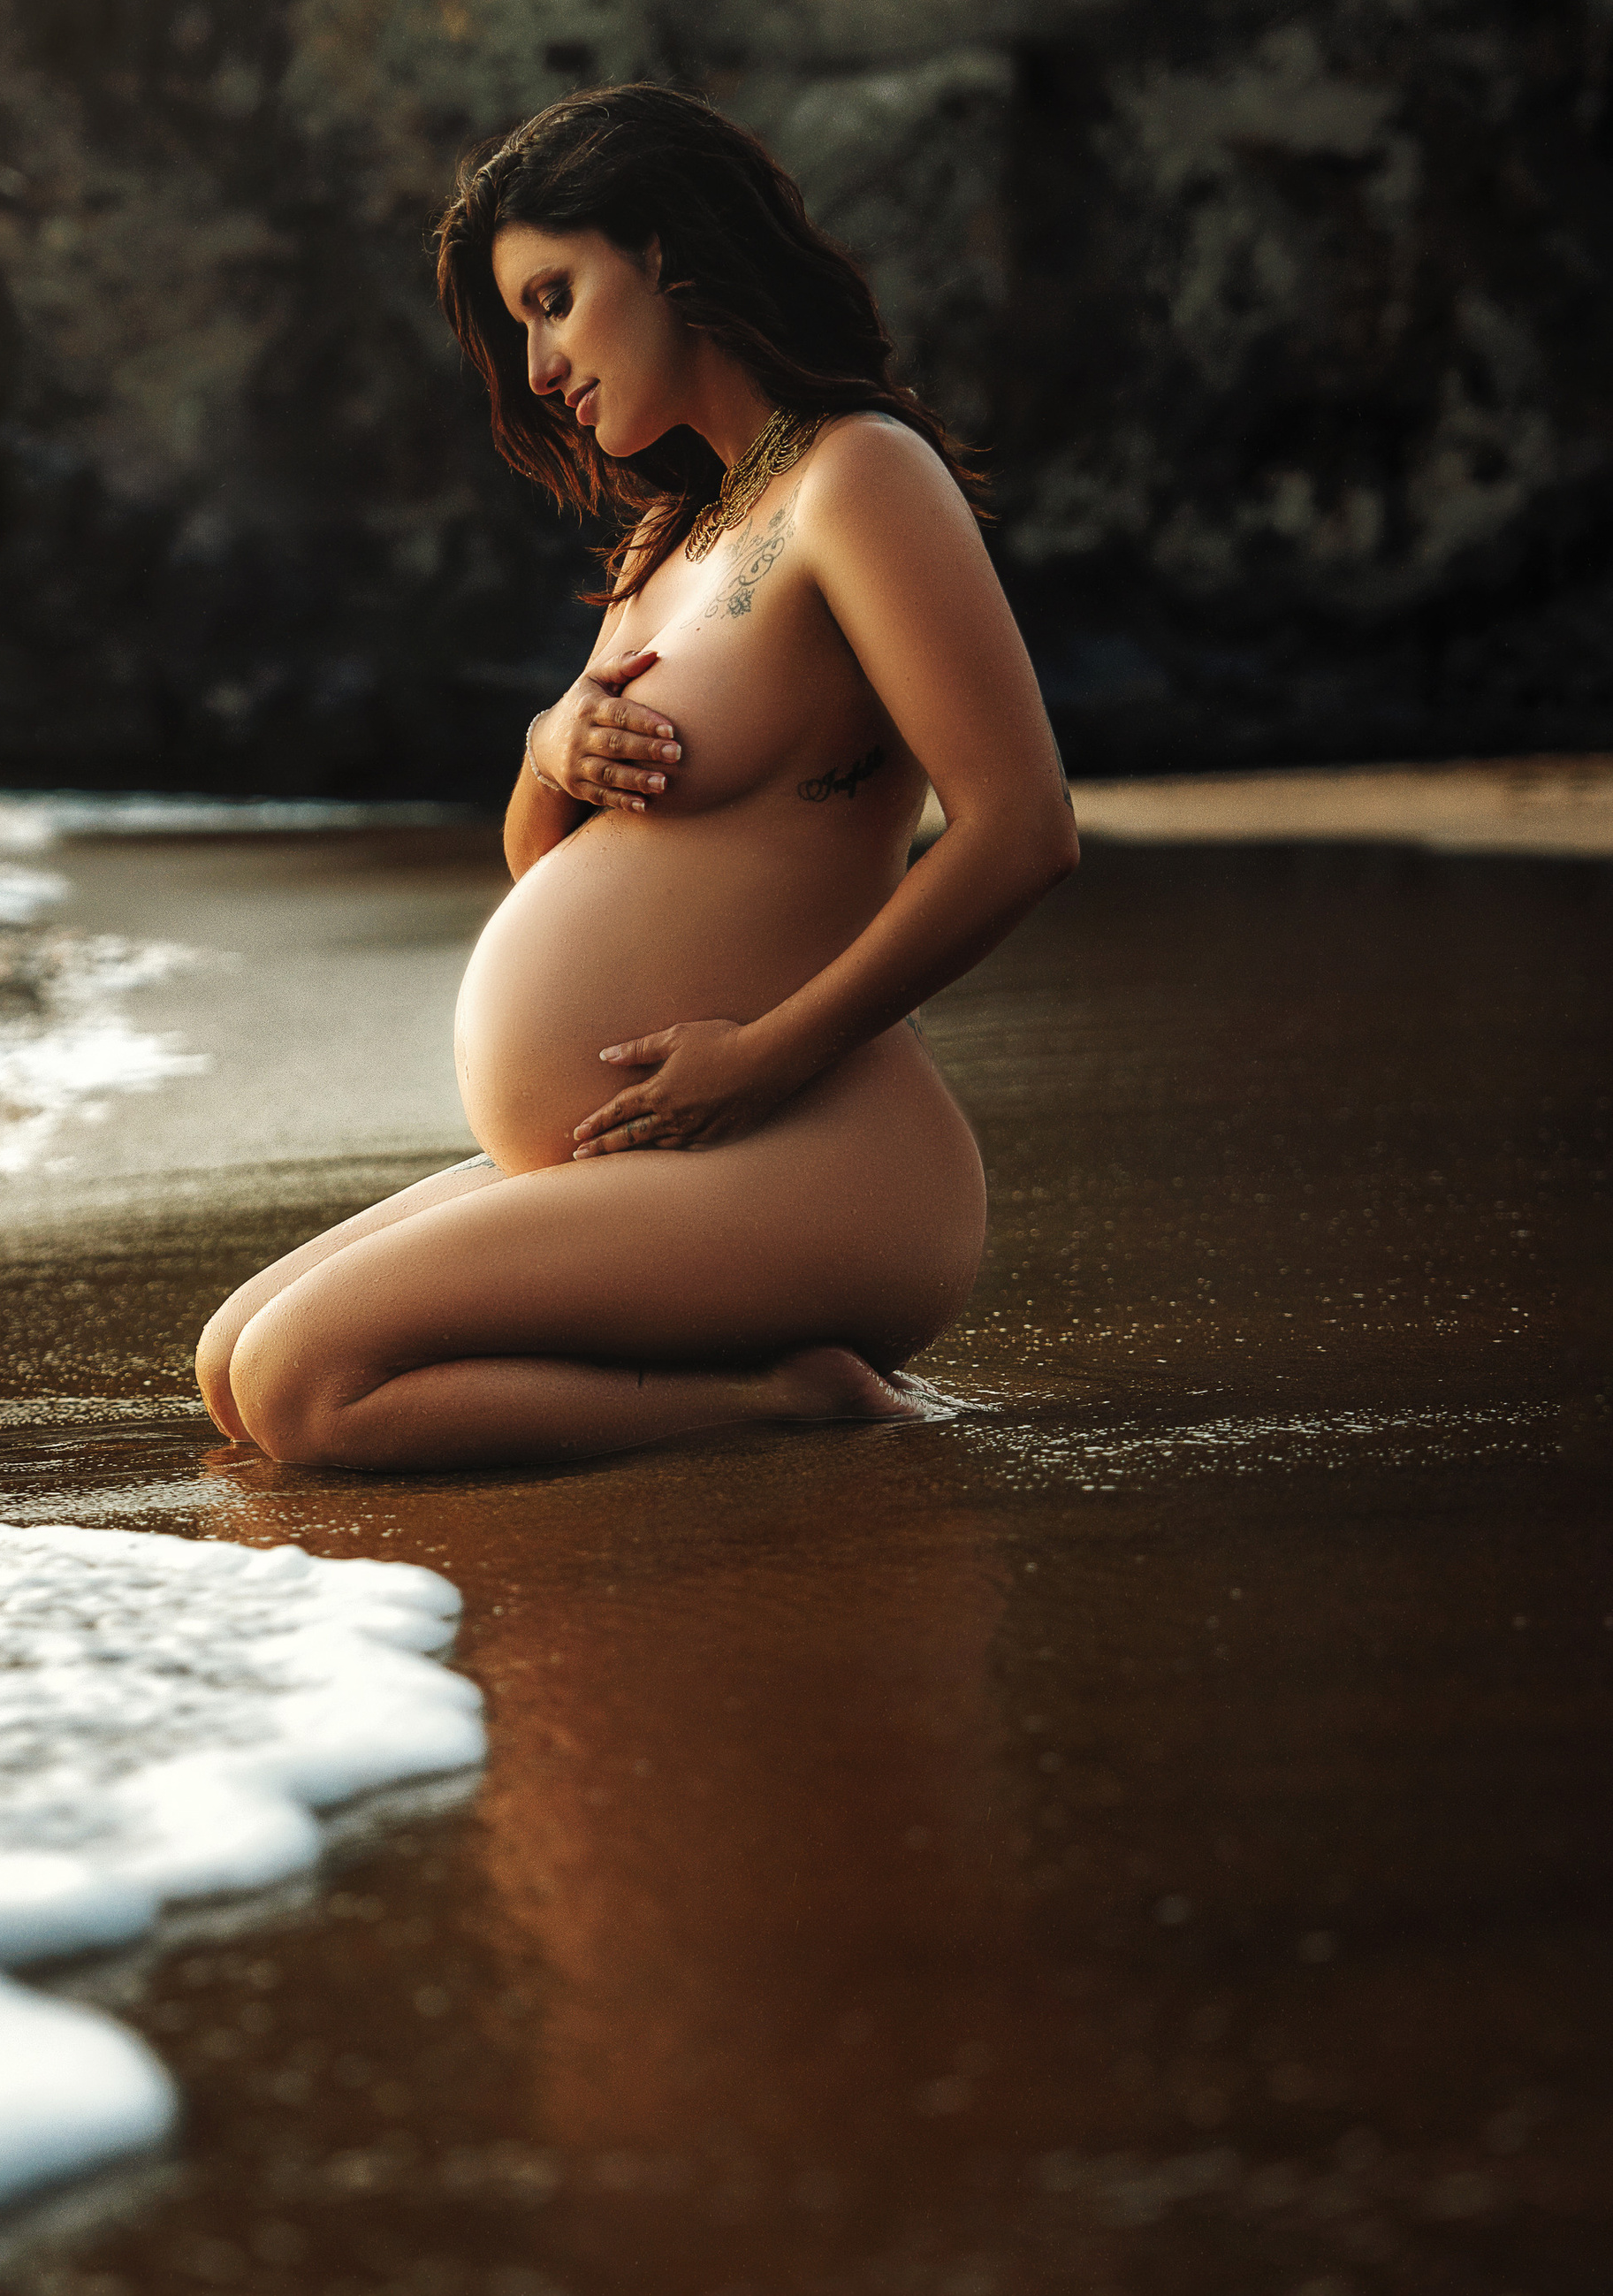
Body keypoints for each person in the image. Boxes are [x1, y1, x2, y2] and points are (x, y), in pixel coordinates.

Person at [196, 83, 1077, 1472]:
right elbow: (556, 873)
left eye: (552, 298)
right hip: (667, 1148)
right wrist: (550, 747)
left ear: (664, 250)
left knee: (309, 1386)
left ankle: (787, 1400)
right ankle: (751, 1381)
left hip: (816, 1157)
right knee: (229, 1368)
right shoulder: (677, 535)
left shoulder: (859, 478)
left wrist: (759, 1059)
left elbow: (1023, 829)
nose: (539, 365)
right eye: (518, 324)